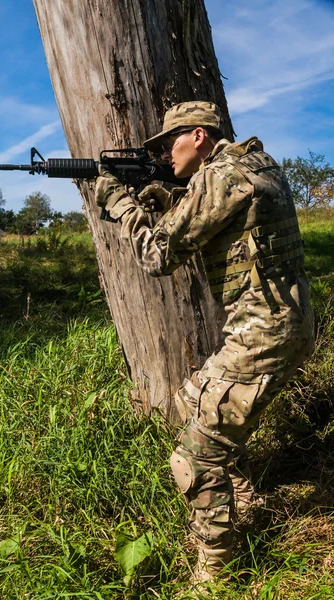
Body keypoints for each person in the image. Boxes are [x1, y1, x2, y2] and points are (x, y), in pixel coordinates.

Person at [95, 101, 315, 595]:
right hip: (284, 324)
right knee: (189, 401)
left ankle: (216, 573)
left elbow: (156, 255)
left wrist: (121, 204)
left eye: (167, 143)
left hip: (263, 334)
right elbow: (226, 223)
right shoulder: (254, 164)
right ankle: (244, 501)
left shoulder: (221, 177)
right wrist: (168, 196)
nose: (163, 155)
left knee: (192, 459)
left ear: (198, 136)